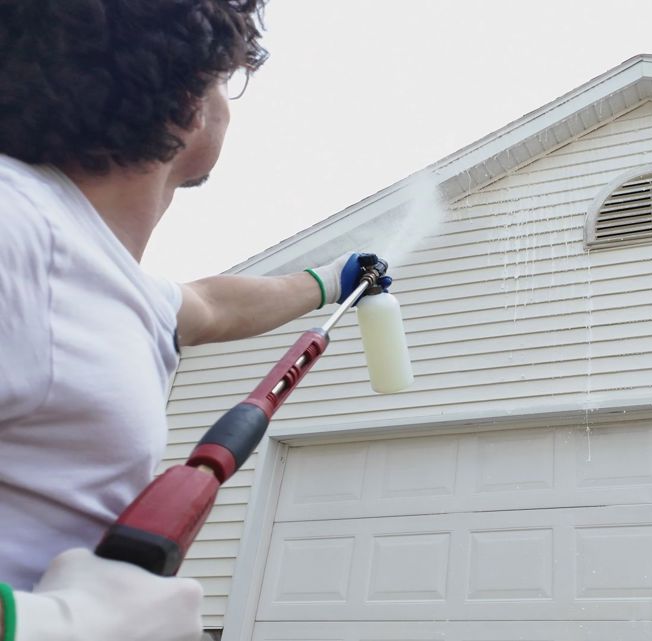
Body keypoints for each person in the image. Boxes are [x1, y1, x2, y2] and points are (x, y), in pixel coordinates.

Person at [0, 2, 374, 640]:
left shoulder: (95, 267)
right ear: (189, 101)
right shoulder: (17, 226)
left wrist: (330, 282)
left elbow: (207, 305)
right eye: (224, 82)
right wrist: (44, 624)